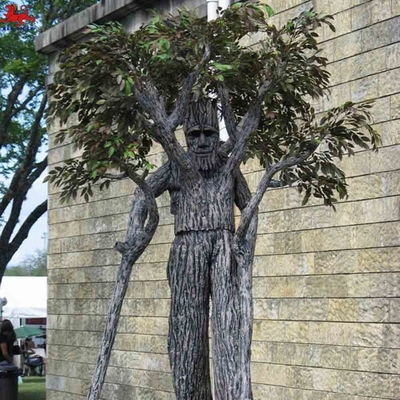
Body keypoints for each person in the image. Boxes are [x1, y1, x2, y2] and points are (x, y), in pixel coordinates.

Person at [133, 99, 253, 399]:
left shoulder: (228, 167)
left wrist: (243, 249)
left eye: (209, 134)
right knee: (187, 334)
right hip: (187, 249)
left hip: (225, 248)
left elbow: (249, 206)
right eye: (194, 135)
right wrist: (137, 233)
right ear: (185, 137)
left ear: (218, 135)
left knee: (230, 331)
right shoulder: (176, 166)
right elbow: (142, 193)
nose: (201, 142)